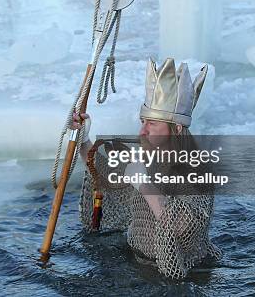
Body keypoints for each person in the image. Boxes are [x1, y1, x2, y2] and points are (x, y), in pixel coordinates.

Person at [73, 57, 221, 279]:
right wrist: (82, 139)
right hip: (135, 259)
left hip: (186, 272)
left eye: (151, 123)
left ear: (177, 128)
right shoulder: (145, 155)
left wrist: (144, 186)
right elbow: (104, 175)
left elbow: (185, 228)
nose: (142, 131)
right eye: (143, 121)